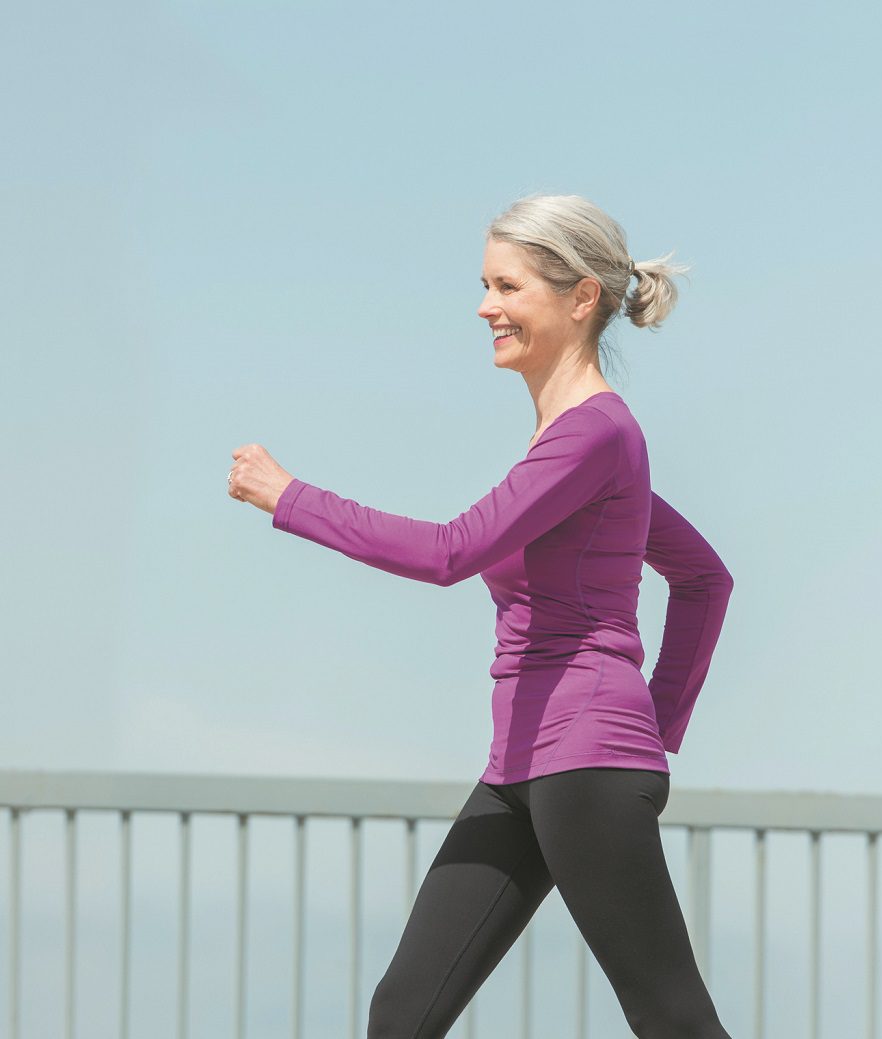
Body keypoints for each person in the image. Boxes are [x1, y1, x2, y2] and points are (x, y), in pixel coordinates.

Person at [227, 193, 735, 1038]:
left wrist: (290, 497)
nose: (485, 306)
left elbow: (449, 552)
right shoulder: (569, 446)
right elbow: (705, 576)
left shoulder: (597, 435)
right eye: (485, 284)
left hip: (585, 765)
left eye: (507, 286)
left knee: (672, 1017)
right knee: (403, 1011)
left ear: (579, 299)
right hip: (519, 768)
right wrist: (654, 721)